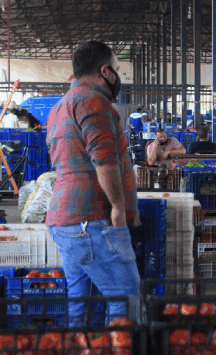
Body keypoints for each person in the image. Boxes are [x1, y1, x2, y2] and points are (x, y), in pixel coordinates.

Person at [45, 40, 140, 323]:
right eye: (117, 68)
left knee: (79, 303)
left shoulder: (58, 107)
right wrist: (119, 208)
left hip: (64, 219)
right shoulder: (93, 101)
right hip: (92, 220)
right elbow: (104, 160)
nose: (117, 75)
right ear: (105, 71)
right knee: (127, 300)